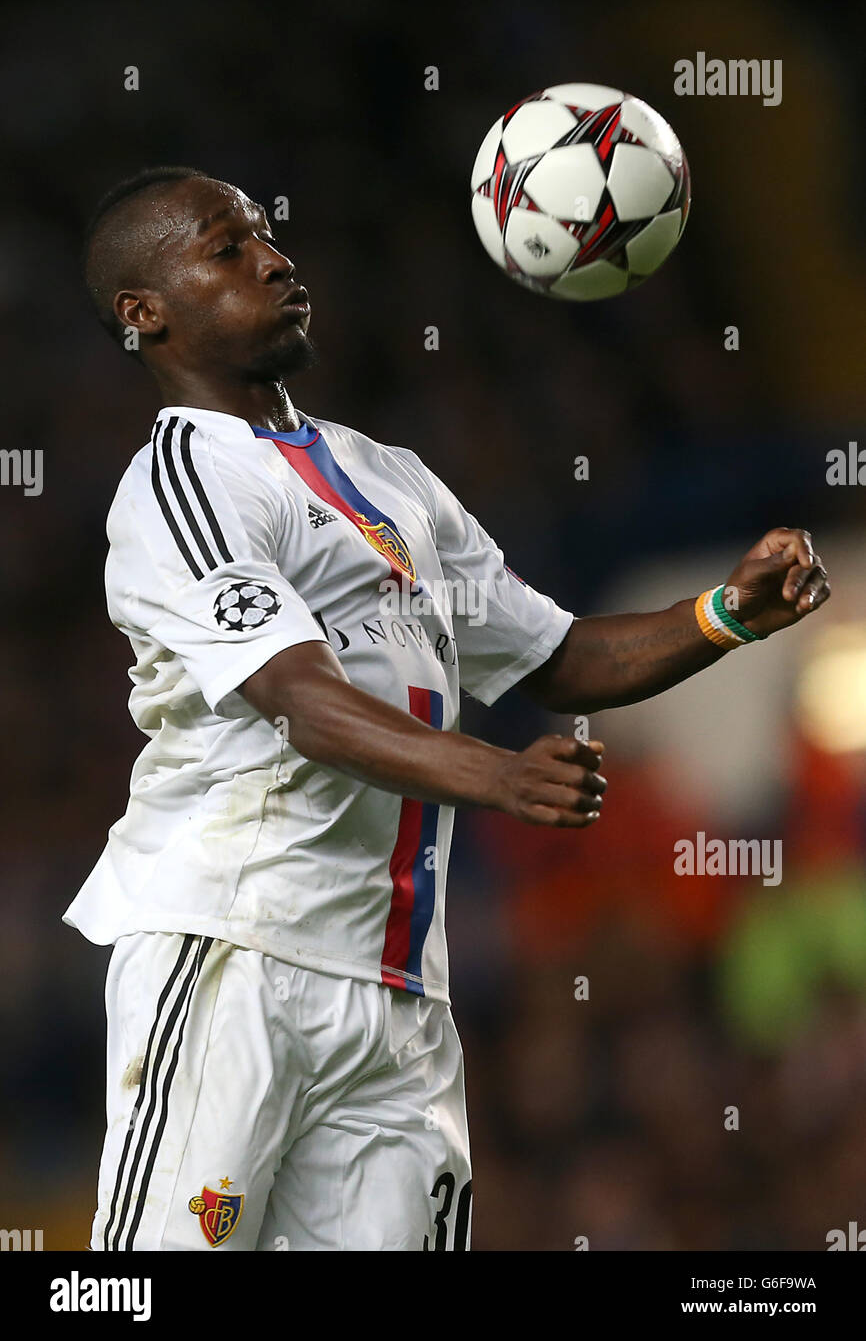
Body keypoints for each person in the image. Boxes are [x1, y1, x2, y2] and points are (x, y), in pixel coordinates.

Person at [65, 165, 830, 1251]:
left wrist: (724, 613)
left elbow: (556, 656)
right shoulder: (181, 483)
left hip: (395, 988)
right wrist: (495, 773)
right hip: (237, 947)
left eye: (268, 237)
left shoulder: (389, 477)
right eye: (226, 250)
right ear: (144, 313)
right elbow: (294, 694)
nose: (276, 261)